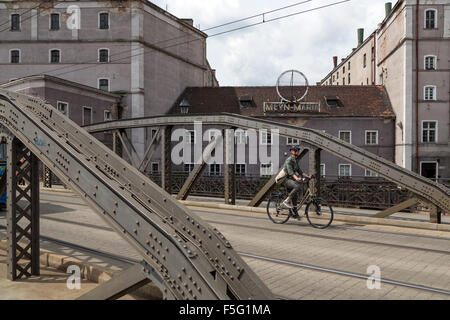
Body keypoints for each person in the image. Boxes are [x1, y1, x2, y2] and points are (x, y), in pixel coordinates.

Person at [282, 145, 311, 217]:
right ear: (292, 151)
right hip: (286, 180)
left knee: (295, 197)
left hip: (292, 180)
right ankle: (286, 201)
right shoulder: (289, 160)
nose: (297, 152)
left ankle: (294, 213)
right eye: (296, 150)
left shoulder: (295, 160)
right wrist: (296, 178)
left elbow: (300, 171)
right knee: (297, 186)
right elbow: (290, 172)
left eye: (297, 150)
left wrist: (307, 176)